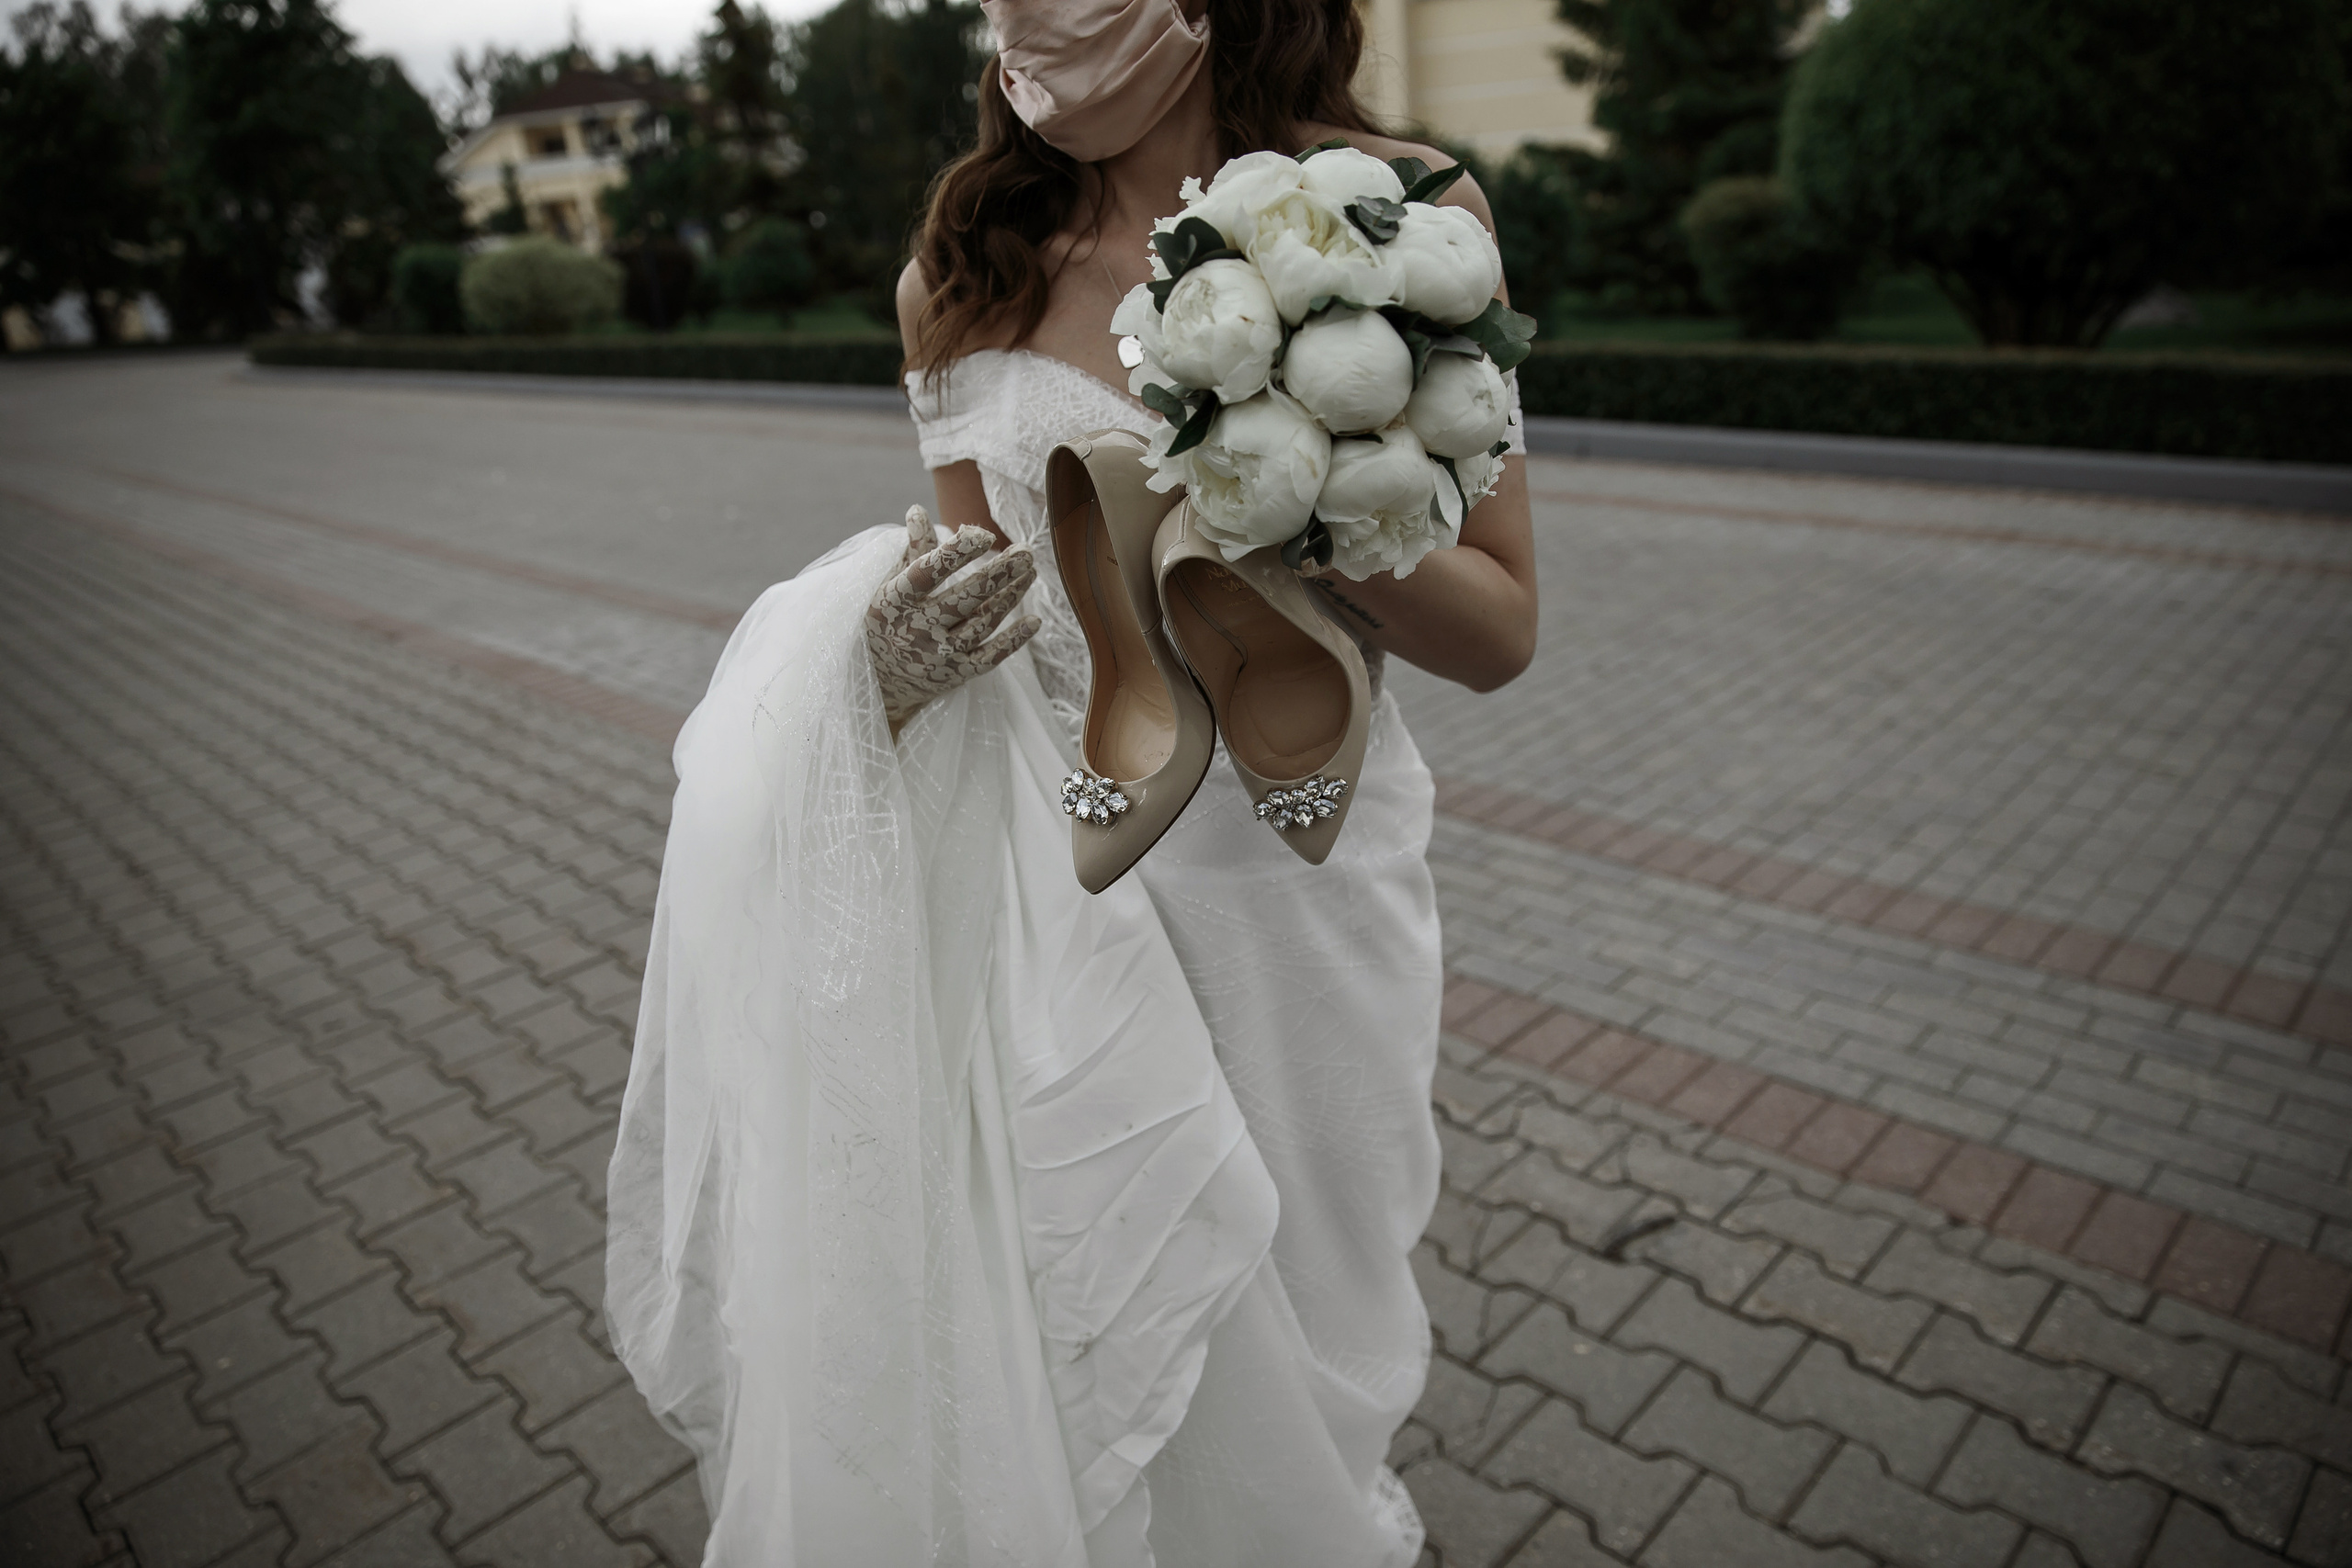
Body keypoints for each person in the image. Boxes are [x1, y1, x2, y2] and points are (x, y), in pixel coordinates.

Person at [605, 1, 1538, 1562]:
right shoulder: (958, 276)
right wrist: (892, 667)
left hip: (1308, 882)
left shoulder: (1399, 217)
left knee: (1318, 1304)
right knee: (1105, 1307)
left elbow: (1502, 632)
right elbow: (993, 605)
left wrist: (1302, 481)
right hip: (1068, 890)